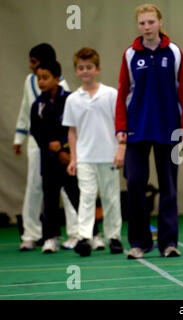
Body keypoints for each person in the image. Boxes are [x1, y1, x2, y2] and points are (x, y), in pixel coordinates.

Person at [115, 4, 183, 259]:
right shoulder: (129, 55)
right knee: (135, 183)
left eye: (151, 22)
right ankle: (139, 242)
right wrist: (121, 128)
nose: (146, 27)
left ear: (160, 22)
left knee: (169, 187)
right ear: (138, 25)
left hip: (169, 129)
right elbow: (123, 93)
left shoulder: (174, 53)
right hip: (137, 129)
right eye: (142, 23)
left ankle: (169, 243)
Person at [13, 43, 79, 251]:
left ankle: (75, 232)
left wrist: (64, 148)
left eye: (34, 62)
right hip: (38, 143)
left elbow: (69, 121)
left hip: (62, 146)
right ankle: (31, 233)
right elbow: (26, 109)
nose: (31, 67)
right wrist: (19, 136)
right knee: (35, 186)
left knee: (69, 190)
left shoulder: (64, 87)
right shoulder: (28, 81)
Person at [63, 47, 123, 257]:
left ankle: (114, 237)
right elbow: (72, 131)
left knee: (111, 197)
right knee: (86, 197)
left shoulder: (111, 94)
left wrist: (120, 150)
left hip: (109, 155)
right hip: (85, 157)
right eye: (81, 68)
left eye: (89, 67)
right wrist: (73, 158)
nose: (85, 71)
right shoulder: (72, 99)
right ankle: (84, 238)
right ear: (76, 71)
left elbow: (120, 125)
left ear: (97, 69)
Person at [29, 60, 80, 253]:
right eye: (38, 79)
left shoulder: (70, 100)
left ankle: (90, 234)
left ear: (57, 78)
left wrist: (64, 147)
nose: (41, 82)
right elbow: (36, 131)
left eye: (45, 78)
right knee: (50, 200)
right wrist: (53, 148)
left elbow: (74, 127)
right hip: (49, 161)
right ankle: (50, 237)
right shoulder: (37, 105)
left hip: (68, 159)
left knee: (76, 196)